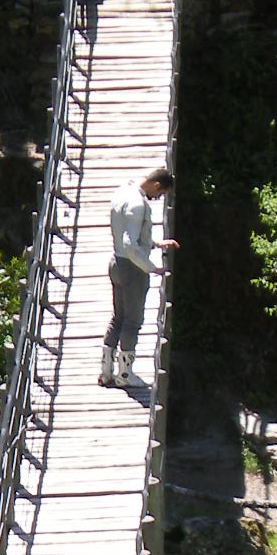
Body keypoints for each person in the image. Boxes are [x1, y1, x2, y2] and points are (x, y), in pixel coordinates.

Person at [99, 166, 178, 389]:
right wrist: (152, 267)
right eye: (160, 193)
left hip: (116, 263)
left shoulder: (122, 192)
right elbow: (129, 244)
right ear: (156, 185)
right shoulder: (138, 203)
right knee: (133, 321)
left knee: (118, 317)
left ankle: (106, 372)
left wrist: (154, 244)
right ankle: (124, 375)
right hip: (132, 269)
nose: (158, 198)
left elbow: (126, 236)